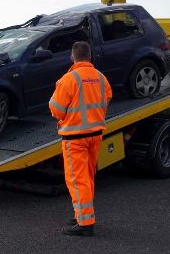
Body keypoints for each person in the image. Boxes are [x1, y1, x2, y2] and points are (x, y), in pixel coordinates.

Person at [49, 41, 112, 236]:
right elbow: (107, 98)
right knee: (88, 178)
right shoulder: (101, 78)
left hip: (75, 137)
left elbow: (56, 111)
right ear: (90, 57)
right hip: (95, 135)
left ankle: (85, 223)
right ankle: (83, 214)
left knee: (77, 180)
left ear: (72, 57)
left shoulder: (69, 79)